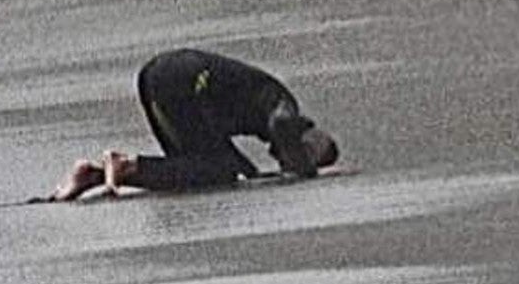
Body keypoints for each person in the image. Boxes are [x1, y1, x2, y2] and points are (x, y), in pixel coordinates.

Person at [51, 49, 338, 200]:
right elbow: (285, 126)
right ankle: (124, 166)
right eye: (311, 155)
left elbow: (246, 169)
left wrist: (260, 174)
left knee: (198, 169)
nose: (279, 157)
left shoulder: (263, 112)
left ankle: (94, 174)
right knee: (221, 173)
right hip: (184, 79)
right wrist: (306, 173)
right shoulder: (283, 104)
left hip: (157, 76)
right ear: (306, 141)